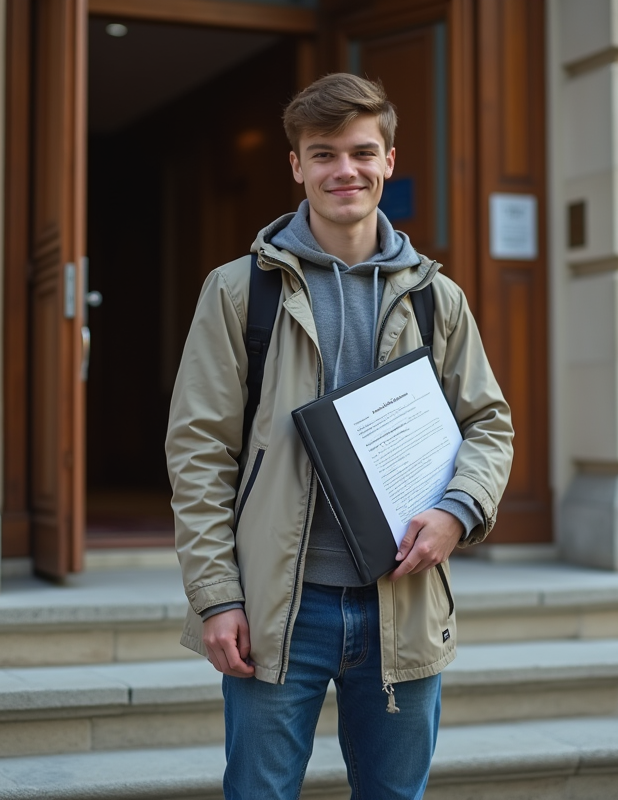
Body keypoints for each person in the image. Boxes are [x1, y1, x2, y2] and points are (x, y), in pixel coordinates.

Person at [165, 72, 514, 799]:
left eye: (362, 151)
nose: (344, 170)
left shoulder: (434, 296)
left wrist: (456, 511)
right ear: (296, 165)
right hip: (277, 606)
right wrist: (216, 595)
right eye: (323, 154)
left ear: (390, 159)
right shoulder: (239, 291)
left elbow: (488, 424)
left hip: (404, 597)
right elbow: (198, 451)